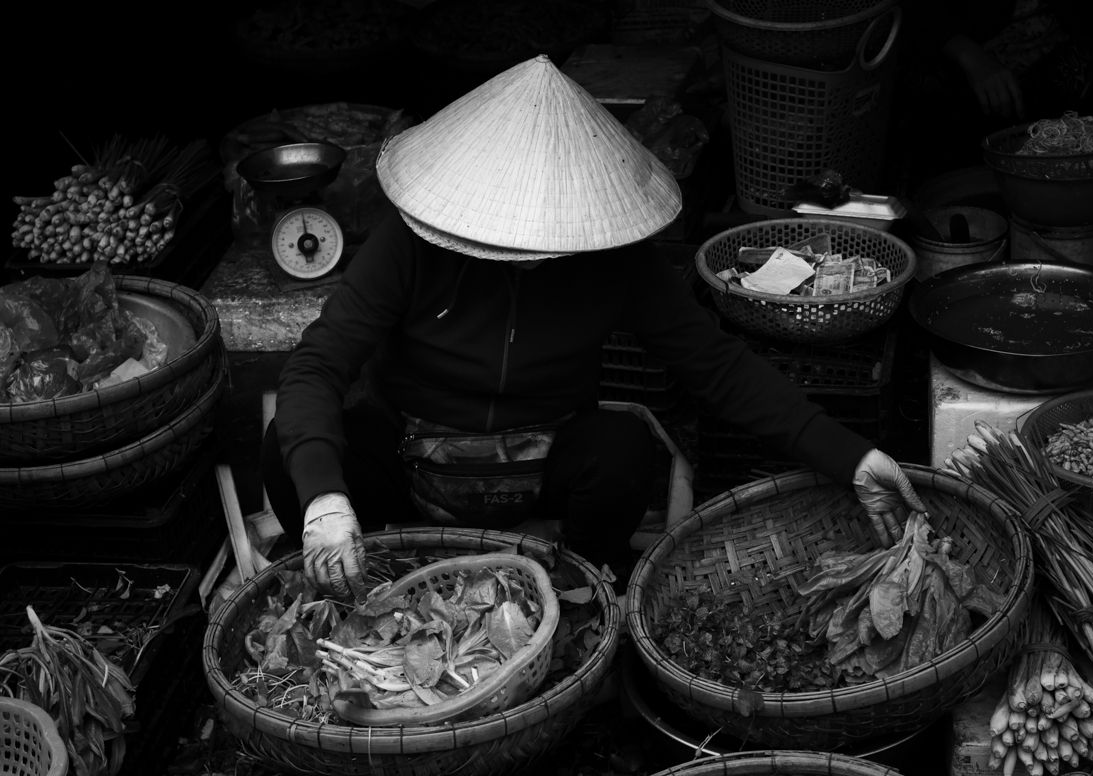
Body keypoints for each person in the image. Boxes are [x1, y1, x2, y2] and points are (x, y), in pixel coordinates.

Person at [261, 55, 927, 598]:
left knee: (623, 449)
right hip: (410, 454)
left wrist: (851, 456)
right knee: (287, 450)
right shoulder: (409, 245)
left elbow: (717, 367)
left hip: (544, 456)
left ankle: (581, 600)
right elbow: (318, 365)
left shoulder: (616, 263)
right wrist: (323, 499)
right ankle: (350, 581)